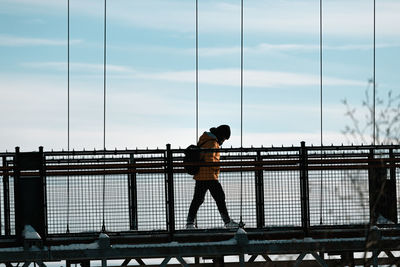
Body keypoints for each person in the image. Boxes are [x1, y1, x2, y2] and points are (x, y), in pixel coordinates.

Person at [186, 124, 239, 229]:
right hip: (209, 176)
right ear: (221, 135)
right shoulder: (213, 143)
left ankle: (190, 223)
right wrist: (217, 167)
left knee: (198, 199)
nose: (223, 142)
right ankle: (227, 222)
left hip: (201, 176)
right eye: (224, 138)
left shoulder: (205, 140)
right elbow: (210, 159)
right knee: (220, 198)